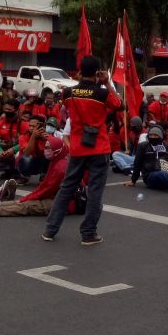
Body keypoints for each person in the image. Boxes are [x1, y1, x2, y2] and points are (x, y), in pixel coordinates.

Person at [42, 55, 121, 245]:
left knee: (66, 188)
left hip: (77, 147)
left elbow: (73, 103)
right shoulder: (101, 93)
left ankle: (50, 230)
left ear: (79, 72)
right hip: (99, 147)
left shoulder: (68, 93)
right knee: (94, 192)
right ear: (97, 72)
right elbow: (119, 105)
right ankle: (88, 233)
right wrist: (106, 83)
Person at [0, 134, 73, 217]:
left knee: (26, 205)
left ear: (57, 149)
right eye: (45, 147)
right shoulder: (57, 161)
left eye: (48, 148)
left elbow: (46, 190)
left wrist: (27, 198)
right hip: (55, 197)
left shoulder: (60, 167)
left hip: (62, 203)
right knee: (23, 201)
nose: (45, 150)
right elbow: (44, 187)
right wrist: (27, 198)